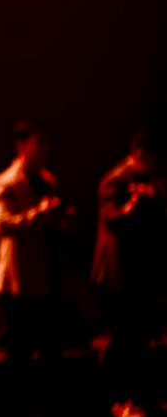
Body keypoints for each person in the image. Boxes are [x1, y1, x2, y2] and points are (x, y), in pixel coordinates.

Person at [90, 127, 167, 416]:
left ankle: (140, 397)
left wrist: (153, 200)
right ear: (139, 156)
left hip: (139, 276)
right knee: (124, 339)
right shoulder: (115, 180)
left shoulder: (149, 181)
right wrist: (135, 205)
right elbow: (112, 220)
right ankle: (116, 399)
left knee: (142, 338)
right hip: (116, 277)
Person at [0, 119, 70, 366]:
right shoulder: (5, 182)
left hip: (46, 278)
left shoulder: (48, 181)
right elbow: (1, 224)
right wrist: (38, 215)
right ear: (21, 146)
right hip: (18, 282)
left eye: (47, 143)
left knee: (51, 351)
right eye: (39, 143)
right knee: (19, 352)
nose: (45, 149)